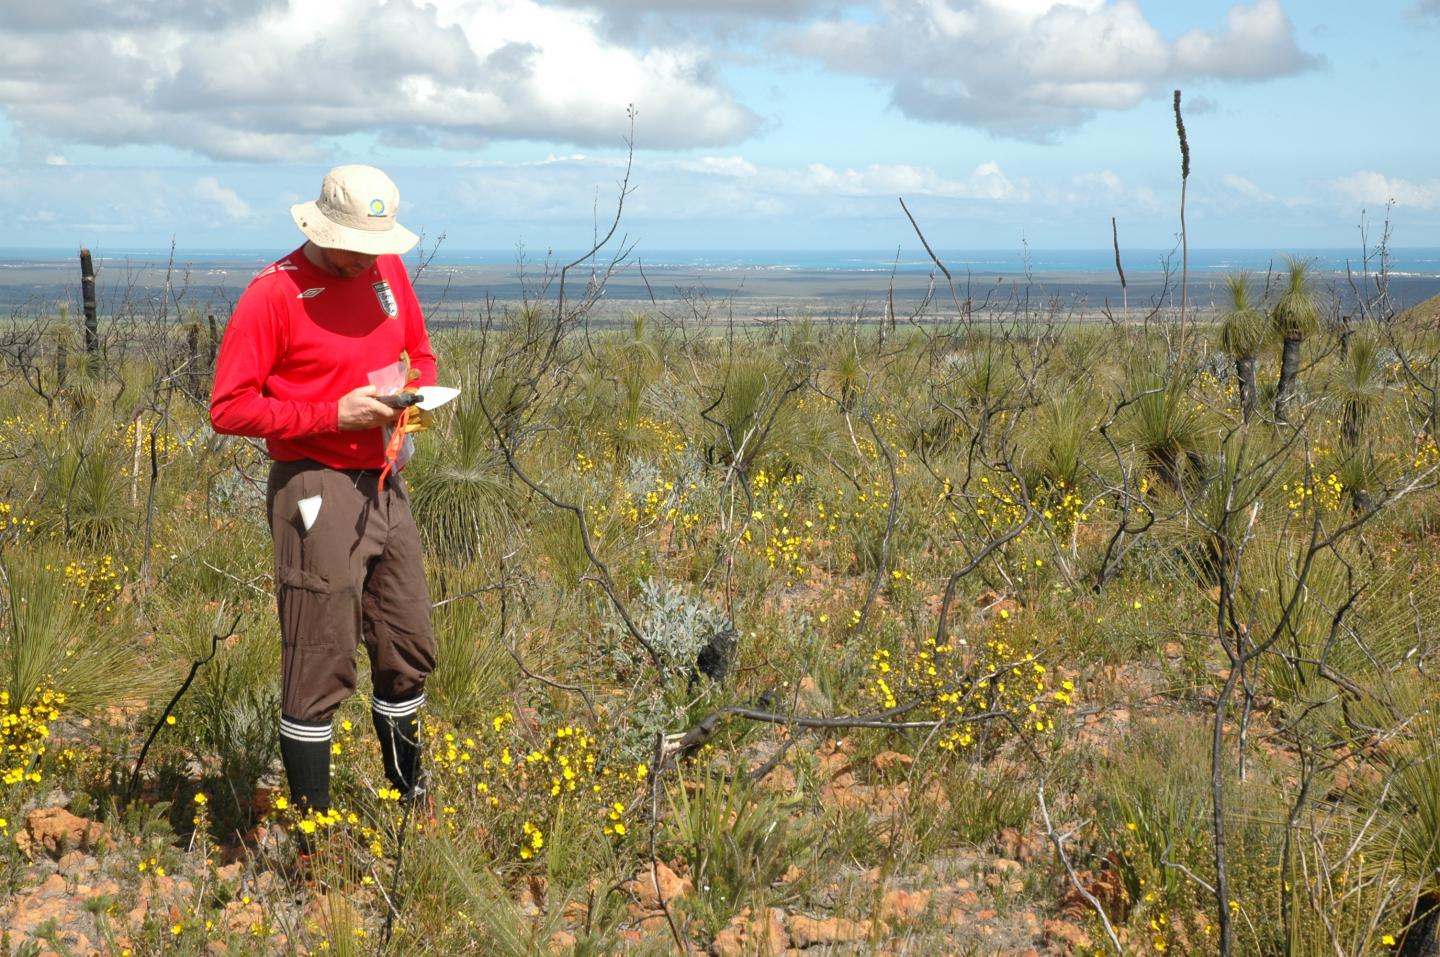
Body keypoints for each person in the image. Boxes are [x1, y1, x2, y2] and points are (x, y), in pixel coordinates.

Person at [210, 165, 438, 826]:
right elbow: (228, 407)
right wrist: (332, 416)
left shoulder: (386, 271)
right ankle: (316, 833)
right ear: (320, 227)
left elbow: (419, 353)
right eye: (356, 245)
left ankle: (407, 800)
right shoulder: (272, 294)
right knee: (320, 655)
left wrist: (408, 401)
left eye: (378, 245)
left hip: (385, 479)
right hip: (313, 482)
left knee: (407, 639)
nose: (369, 258)